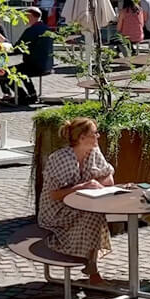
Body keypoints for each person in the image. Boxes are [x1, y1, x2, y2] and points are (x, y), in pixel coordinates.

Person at [39, 116, 114, 283]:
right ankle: (91, 267)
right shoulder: (60, 159)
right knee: (93, 216)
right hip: (57, 210)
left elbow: (109, 178)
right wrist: (82, 187)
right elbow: (54, 195)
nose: (98, 136)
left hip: (84, 203)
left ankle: (91, 265)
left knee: (95, 213)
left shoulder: (94, 152)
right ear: (82, 138)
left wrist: (96, 183)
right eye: (95, 133)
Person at [16, 9, 53, 107]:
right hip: (47, 66)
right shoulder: (47, 29)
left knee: (6, 72)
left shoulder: (31, 31)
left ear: (31, 16)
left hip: (34, 65)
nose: (24, 19)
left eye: (26, 16)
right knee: (21, 70)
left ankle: (23, 96)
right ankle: (32, 94)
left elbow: (18, 47)